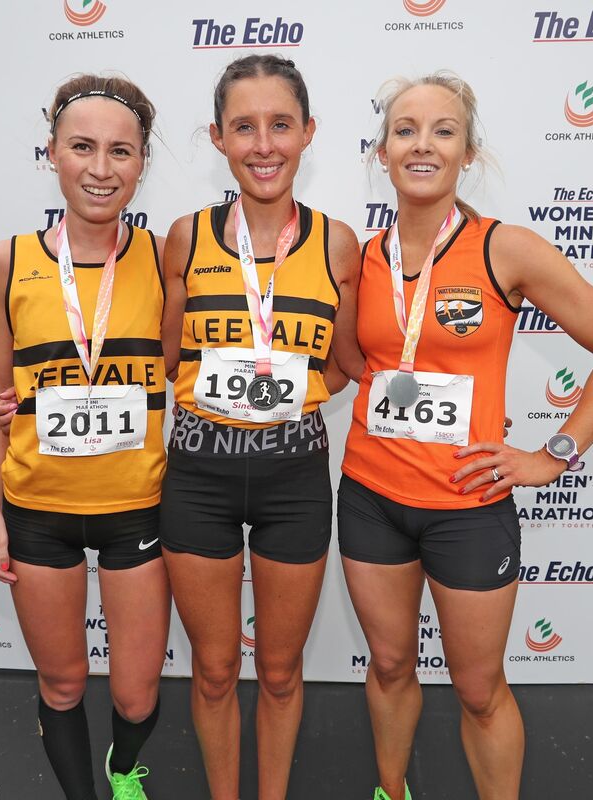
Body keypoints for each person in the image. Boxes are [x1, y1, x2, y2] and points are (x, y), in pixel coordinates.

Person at [333, 72, 593, 800]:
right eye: (405, 129)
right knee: (388, 666)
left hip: (469, 506)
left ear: (468, 152)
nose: (422, 144)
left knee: (479, 690)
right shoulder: (362, 257)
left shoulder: (507, 250)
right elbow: (355, 361)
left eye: (443, 130)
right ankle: (391, 791)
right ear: (381, 151)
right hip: (371, 497)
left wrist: (552, 454)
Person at [159, 55, 359, 800]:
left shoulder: (339, 243)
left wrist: (296, 398)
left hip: (294, 481)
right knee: (214, 671)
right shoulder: (186, 236)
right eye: (244, 126)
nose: (264, 144)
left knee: (278, 673)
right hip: (198, 480)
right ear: (218, 138)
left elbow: (349, 364)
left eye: (281, 124)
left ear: (309, 133)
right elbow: (161, 357)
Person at [0, 74, 170, 800]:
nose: (100, 168)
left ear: (142, 162)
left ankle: (124, 767)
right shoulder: (8, 260)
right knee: (62, 683)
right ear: (50, 153)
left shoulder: (163, 258)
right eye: (81, 147)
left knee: (137, 696)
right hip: (37, 511)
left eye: (121, 151)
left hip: (137, 510)